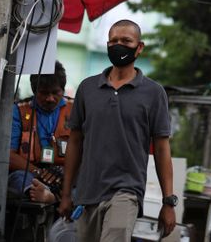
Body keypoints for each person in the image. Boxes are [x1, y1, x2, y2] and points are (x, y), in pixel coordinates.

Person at [58, 19, 176, 241]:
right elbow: (75, 142)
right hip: (87, 193)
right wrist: (66, 194)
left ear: (139, 47)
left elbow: (162, 150)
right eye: (113, 41)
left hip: (127, 191)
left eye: (126, 41)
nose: (118, 45)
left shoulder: (154, 93)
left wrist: (168, 201)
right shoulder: (87, 88)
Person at [9, 61, 72, 204]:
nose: (50, 99)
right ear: (34, 90)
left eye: (55, 93)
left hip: (66, 173)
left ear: (63, 90)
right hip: (31, 173)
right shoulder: (18, 110)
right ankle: (45, 194)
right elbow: (9, 155)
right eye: (43, 93)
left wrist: (65, 174)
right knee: (18, 179)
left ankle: (51, 197)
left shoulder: (75, 109)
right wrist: (39, 172)